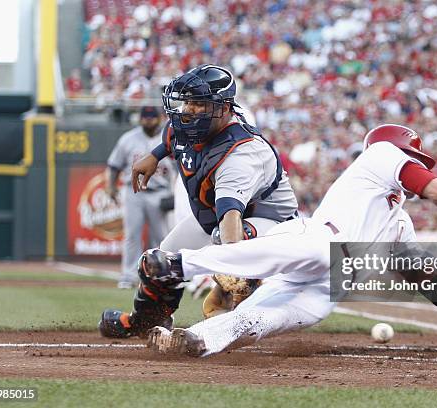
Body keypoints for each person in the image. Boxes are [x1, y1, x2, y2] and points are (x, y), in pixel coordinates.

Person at [140, 124, 437, 357]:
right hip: (319, 241)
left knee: (255, 321)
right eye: (413, 157)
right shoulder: (381, 155)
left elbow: (422, 278)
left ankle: (192, 342)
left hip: (330, 286)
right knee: (262, 254)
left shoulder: (399, 222)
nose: (417, 164)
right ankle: (177, 264)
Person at [98, 64, 298, 338]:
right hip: (218, 219)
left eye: (199, 104)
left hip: (276, 230)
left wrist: (230, 277)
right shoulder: (193, 127)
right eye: (188, 102)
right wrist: (154, 156)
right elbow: (172, 139)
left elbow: (230, 222)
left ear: (223, 109)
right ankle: (145, 322)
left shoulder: (240, 154)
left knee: (225, 243)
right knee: (157, 265)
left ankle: (237, 315)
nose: (188, 110)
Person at [105, 106, 175, 289]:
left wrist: (175, 193)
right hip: (134, 192)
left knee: (161, 237)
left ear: (159, 118)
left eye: (152, 117)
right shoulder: (128, 139)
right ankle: (128, 276)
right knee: (132, 235)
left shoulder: (168, 138)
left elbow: (179, 170)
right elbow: (114, 166)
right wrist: (110, 186)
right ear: (140, 119)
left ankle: (161, 275)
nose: (148, 121)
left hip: (160, 192)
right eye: (145, 117)